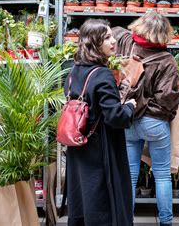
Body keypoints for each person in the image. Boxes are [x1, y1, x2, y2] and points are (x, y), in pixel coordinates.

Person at [64, 18, 137, 226]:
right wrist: (129, 106)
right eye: (107, 38)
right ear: (94, 43)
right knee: (104, 202)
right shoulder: (102, 75)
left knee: (84, 199)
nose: (113, 41)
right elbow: (115, 117)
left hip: (78, 148)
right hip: (101, 150)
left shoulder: (72, 72)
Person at [113, 13, 179, 226]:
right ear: (163, 34)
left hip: (128, 119)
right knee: (162, 176)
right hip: (155, 123)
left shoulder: (127, 46)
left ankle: (127, 221)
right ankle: (166, 222)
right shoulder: (168, 61)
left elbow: (114, 32)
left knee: (130, 176)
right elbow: (167, 101)